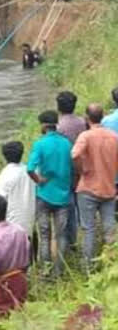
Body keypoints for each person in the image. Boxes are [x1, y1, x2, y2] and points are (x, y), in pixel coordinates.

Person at [71, 103, 118, 267]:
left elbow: (75, 154)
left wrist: (82, 170)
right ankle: (111, 265)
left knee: (88, 229)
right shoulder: (113, 136)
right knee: (110, 228)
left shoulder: (86, 136)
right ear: (102, 115)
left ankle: (87, 267)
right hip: (109, 188)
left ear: (86, 118)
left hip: (88, 189)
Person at [27, 111, 72, 276]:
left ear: (44, 126)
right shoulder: (66, 143)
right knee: (61, 235)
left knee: (45, 235)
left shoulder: (40, 144)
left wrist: (38, 180)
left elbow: (30, 168)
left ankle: (46, 272)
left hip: (44, 195)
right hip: (63, 195)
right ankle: (59, 271)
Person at [0, 194, 30, 315]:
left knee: (1, 315)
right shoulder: (20, 230)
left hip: (2, 282)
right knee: (19, 312)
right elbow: (28, 251)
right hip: (20, 278)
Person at [56, 91, 87, 249]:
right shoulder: (82, 122)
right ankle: (81, 233)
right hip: (81, 167)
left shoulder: (58, 127)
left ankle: (69, 240)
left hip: (64, 169)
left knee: (66, 205)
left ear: (58, 107)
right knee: (78, 201)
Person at [0, 141, 36, 237]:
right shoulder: (30, 171)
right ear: (21, 154)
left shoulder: (5, 175)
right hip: (30, 220)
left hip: (12, 223)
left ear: (4, 156)